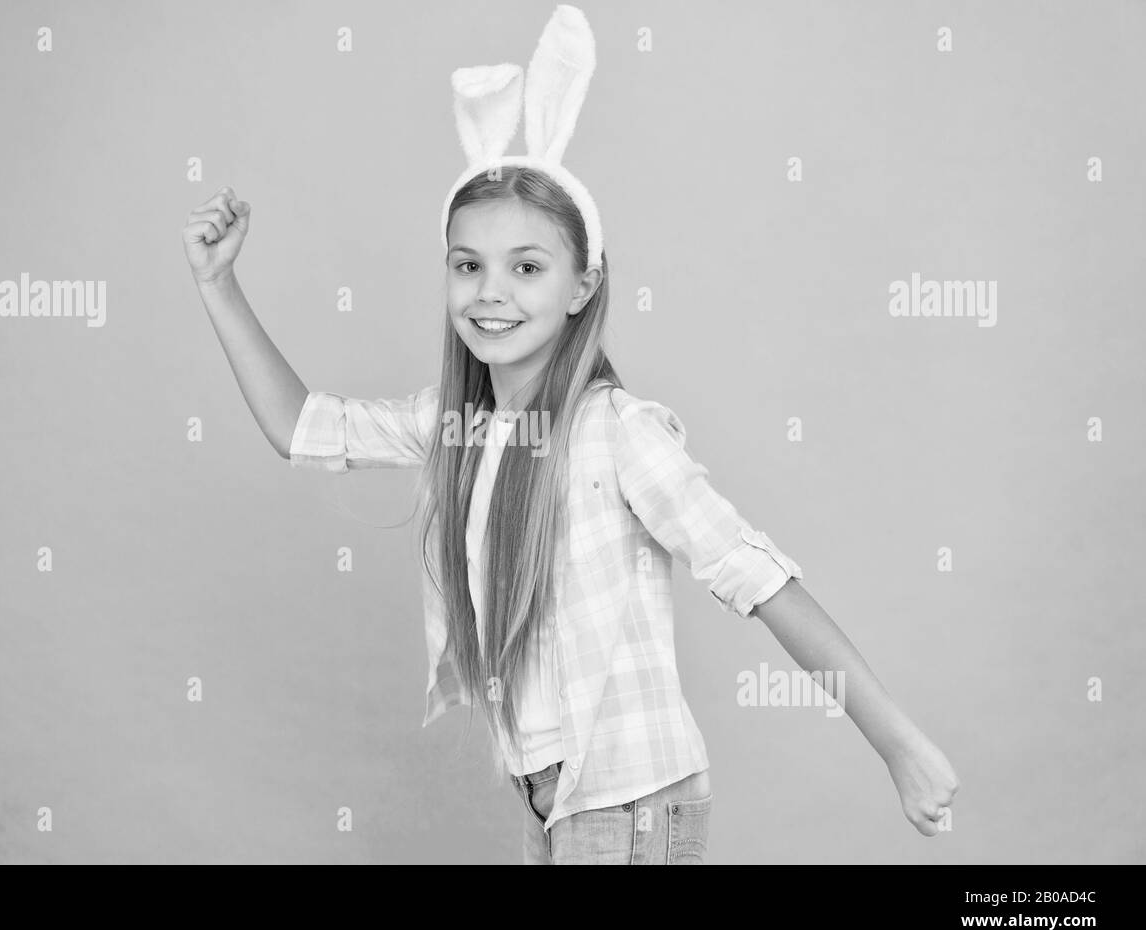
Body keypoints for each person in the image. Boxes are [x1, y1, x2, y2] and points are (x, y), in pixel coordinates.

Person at [181, 5, 958, 865]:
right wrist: (220, 286)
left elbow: (760, 577)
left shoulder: (616, 433)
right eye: (467, 264)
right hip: (550, 798)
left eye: (527, 266)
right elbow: (304, 428)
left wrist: (898, 743)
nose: (491, 292)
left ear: (583, 285)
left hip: (630, 804)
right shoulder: (461, 423)